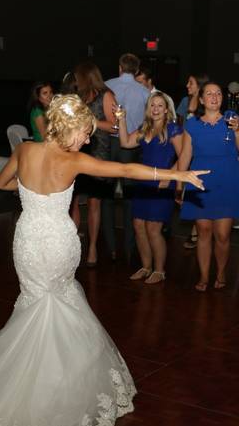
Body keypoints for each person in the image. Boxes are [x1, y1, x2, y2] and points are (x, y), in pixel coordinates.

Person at [0, 94, 208, 426]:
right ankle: (52, 395)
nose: (87, 140)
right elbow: (124, 171)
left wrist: (31, 194)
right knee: (56, 306)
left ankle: (30, 387)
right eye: (85, 133)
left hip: (26, 239)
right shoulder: (73, 160)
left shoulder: (25, 149)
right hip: (57, 240)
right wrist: (176, 175)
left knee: (34, 307)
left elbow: (1, 182)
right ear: (70, 127)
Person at [176, 81, 239, 291]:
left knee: (223, 234)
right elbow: (185, 156)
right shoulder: (192, 125)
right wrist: (179, 184)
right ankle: (204, 276)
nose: (215, 97)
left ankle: (222, 272)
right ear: (201, 99)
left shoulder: (233, 119)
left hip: (227, 180)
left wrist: (237, 131)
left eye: (218, 93)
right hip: (200, 181)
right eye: (209, 94)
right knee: (204, 230)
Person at [117, 92, 182, 284]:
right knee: (139, 226)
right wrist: (122, 119)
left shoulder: (173, 129)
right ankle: (146, 267)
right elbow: (125, 143)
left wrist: (170, 177)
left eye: (160, 105)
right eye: (152, 105)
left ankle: (160, 270)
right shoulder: (144, 128)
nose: (155, 109)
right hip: (144, 183)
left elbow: (184, 156)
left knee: (154, 228)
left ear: (166, 109)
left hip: (163, 184)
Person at [105, 53, 151, 264]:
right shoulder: (143, 92)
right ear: (137, 69)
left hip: (108, 143)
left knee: (106, 195)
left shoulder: (107, 85)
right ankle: (129, 246)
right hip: (131, 144)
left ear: (120, 68)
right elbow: (147, 122)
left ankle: (109, 246)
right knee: (130, 196)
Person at [72, 61, 117, 266]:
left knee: (94, 203)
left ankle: (92, 249)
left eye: (77, 76)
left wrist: (92, 122)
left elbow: (115, 127)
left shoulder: (106, 95)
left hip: (98, 152)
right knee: (72, 201)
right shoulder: (78, 96)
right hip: (78, 152)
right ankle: (73, 246)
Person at [174, 72, 210, 250]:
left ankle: (198, 230)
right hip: (186, 148)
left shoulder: (206, 104)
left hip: (202, 152)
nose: (188, 86)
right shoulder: (184, 102)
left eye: (191, 83)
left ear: (200, 85)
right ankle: (196, 227)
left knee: (198, 188)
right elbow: (180, 126)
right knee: (186, 188)